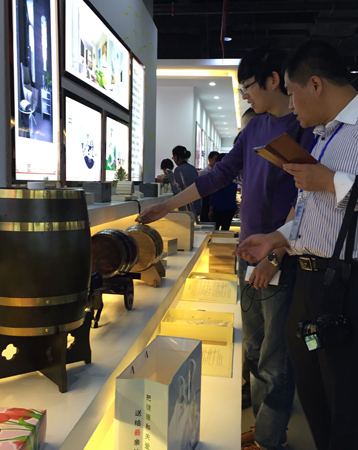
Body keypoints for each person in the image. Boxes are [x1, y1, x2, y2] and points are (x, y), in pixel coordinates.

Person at [234, 40, 358, 450]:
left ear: (315, 84)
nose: (291, 105)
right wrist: (278, 238)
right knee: (317, 400)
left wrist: (330, 181)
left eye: (292, 94)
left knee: (350, 407)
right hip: (311, 282)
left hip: (353, 285)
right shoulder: (327, 136)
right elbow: (319, 213)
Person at [137, 46, 314, 450]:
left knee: (274, 356)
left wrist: (276, 255)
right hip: (248, 253)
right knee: (252, 347)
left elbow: (305, 201)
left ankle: (269, 439)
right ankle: (264, 426)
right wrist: (168, 205)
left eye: (248, 86)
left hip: (279, 257)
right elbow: (218, 176)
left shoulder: (304, 127)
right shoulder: (254, 130)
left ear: (273, 80)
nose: (245, 95)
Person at [208, 153, 237, 230]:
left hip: (218, 208)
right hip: (230, 207)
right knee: (226, 230)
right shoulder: (233, 176)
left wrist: (210, 209)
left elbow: (214, 194)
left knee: (215, 230)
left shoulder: (216, 176)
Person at [172, 145, 201, 217]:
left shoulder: (178, 170)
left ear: (176, 157)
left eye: (173, 157)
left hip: (186, 206)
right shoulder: (193, 168)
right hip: (196, 203)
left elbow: (178, 189)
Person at [200, 151, 221, 222]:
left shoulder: (219, 172)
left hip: (215, 201)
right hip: (206, 200)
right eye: (215, 159)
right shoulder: (203, 172)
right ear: (210, 159)